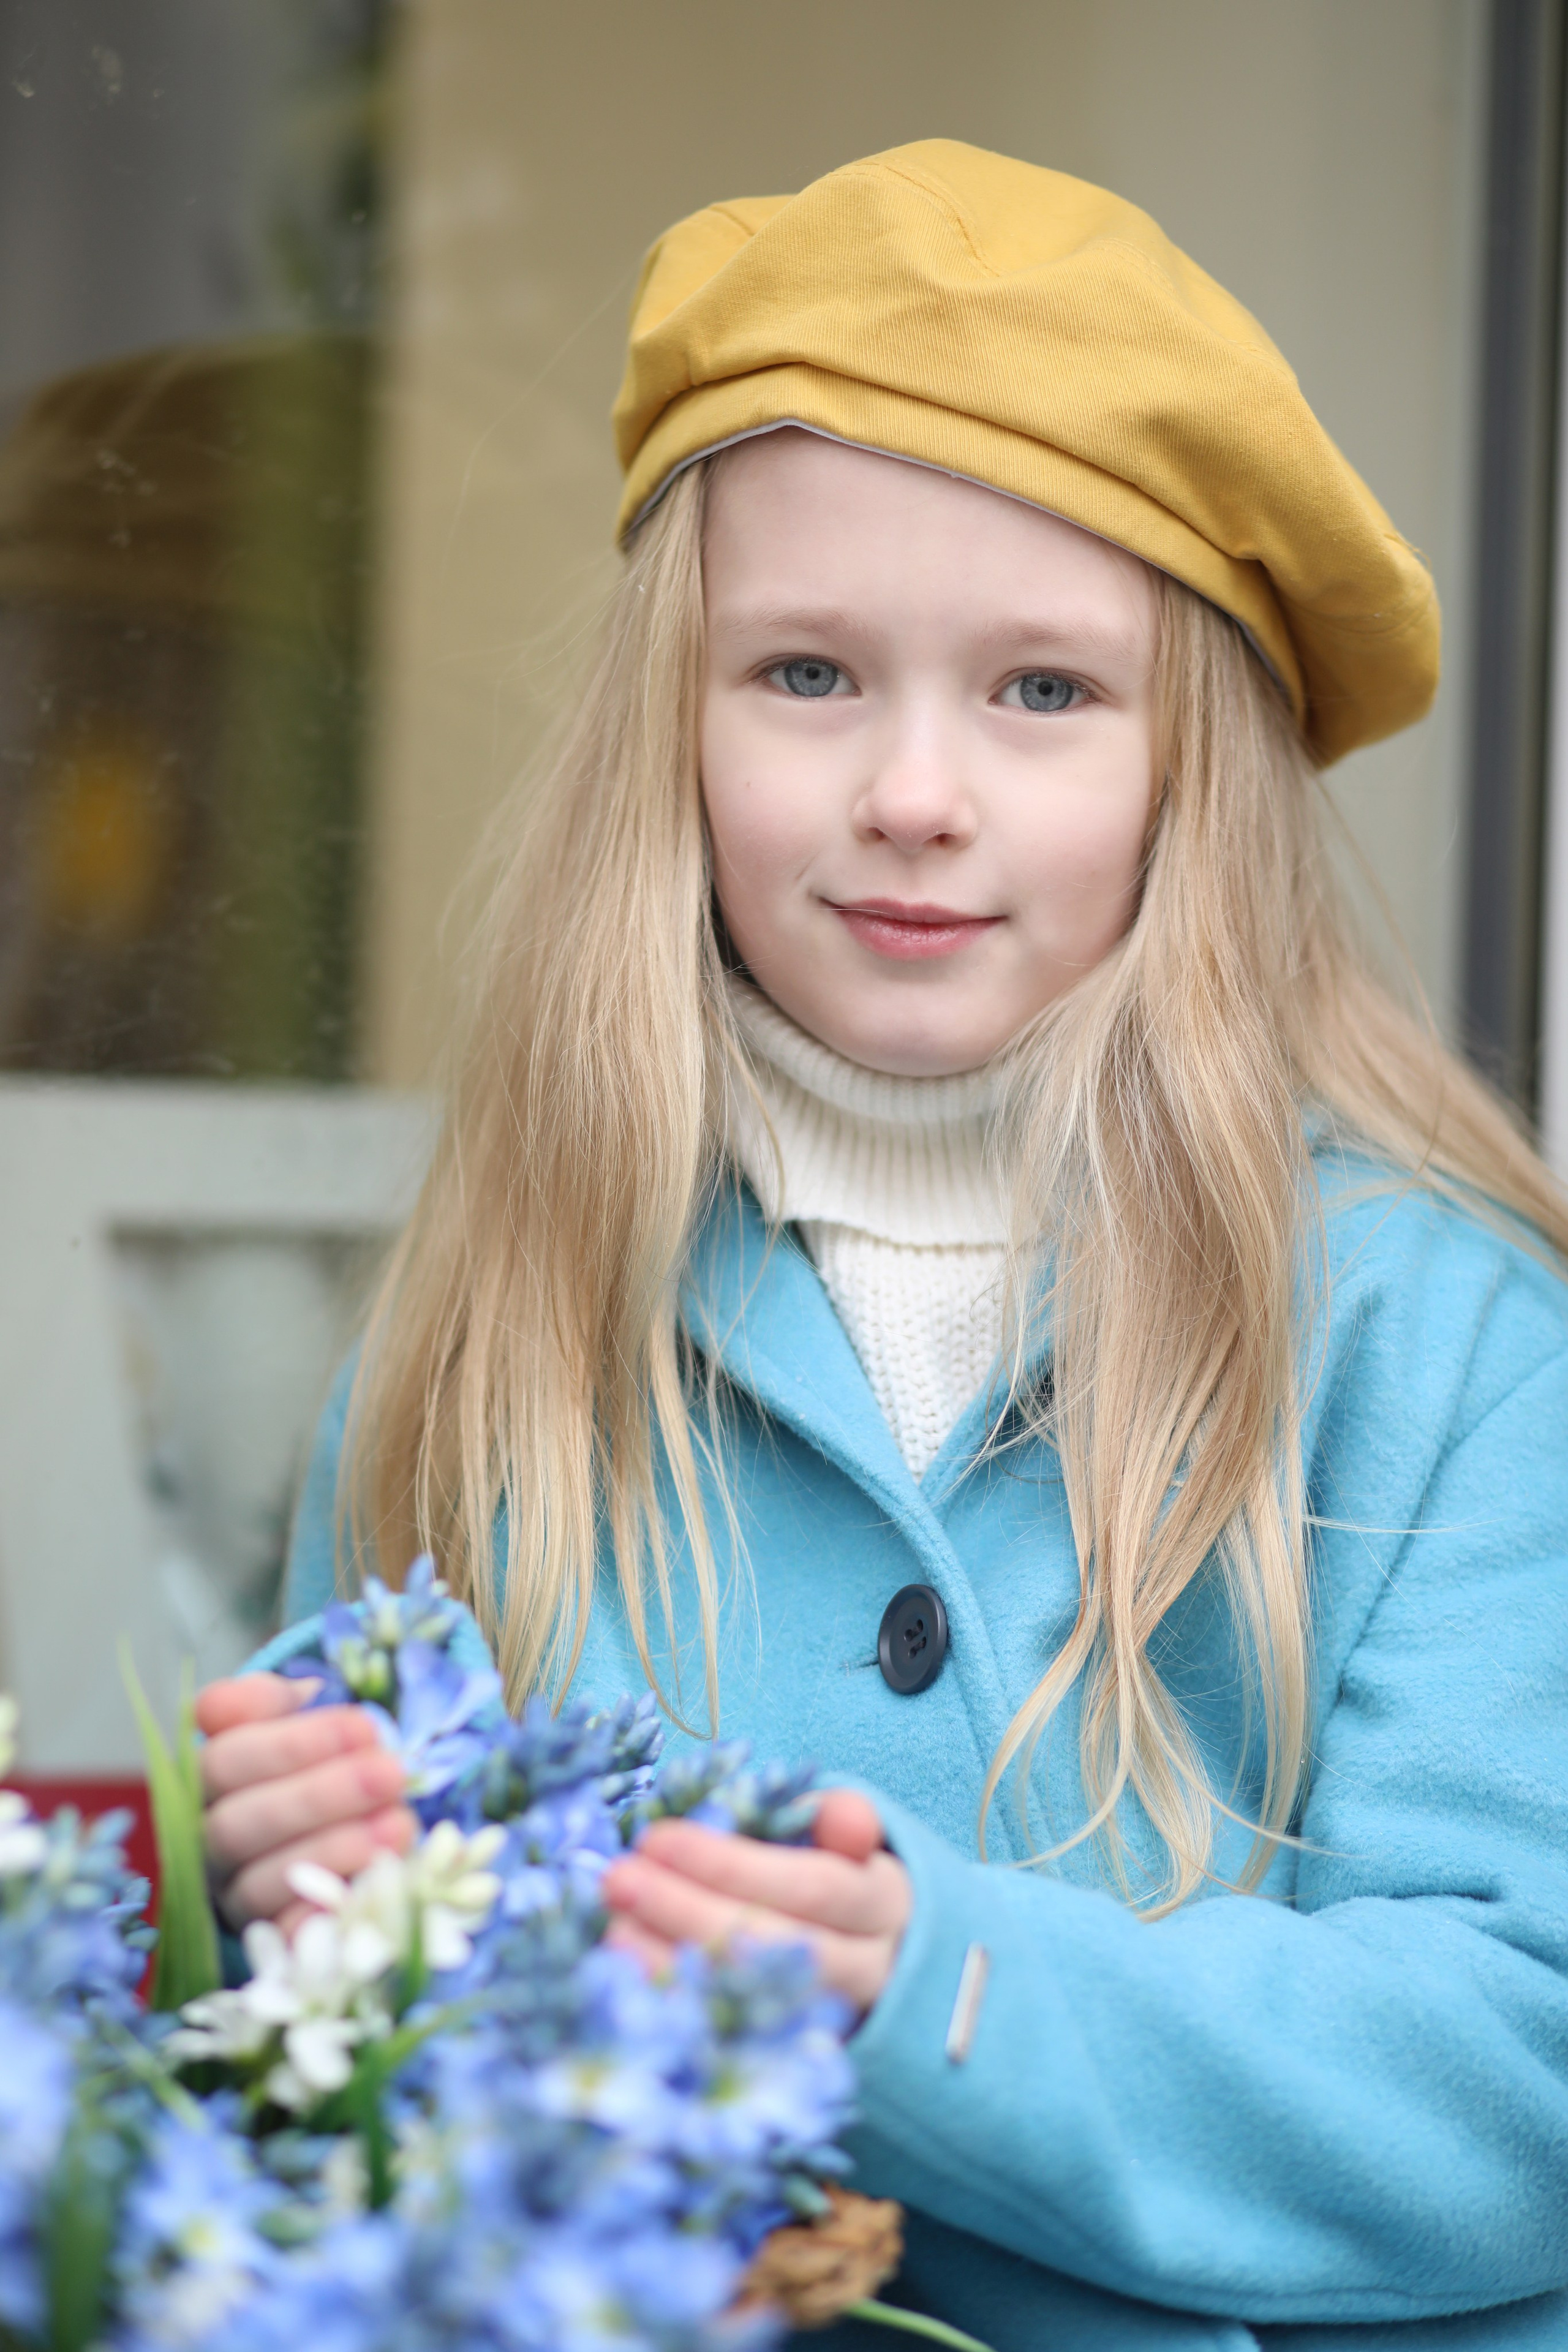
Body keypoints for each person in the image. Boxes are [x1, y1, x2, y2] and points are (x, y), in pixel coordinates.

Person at [193, 144, 1568, 2349]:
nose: (914, 790)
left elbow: (1521, 2068)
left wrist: (936, 1995)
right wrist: (302, 1917)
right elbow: (352, 2151)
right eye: (809, 672)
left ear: (1191, 774)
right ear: (677, 732)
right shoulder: (495, 1327)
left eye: (1043, 692)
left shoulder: (1450, 1339)